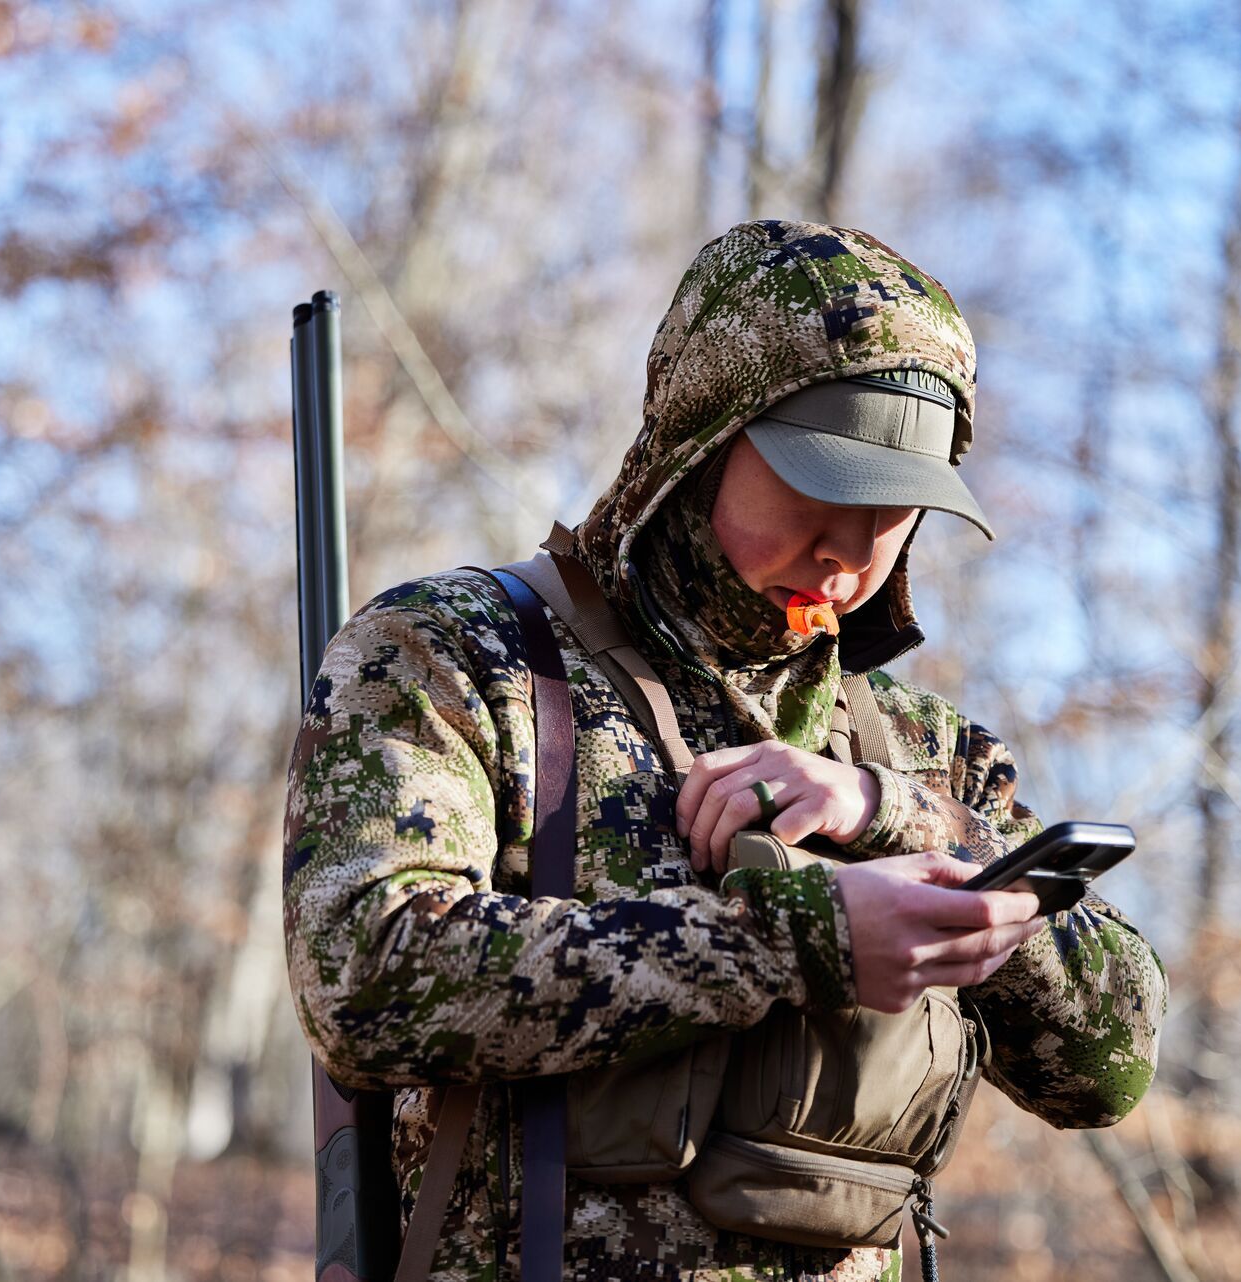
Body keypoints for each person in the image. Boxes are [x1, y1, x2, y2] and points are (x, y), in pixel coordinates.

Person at [284, 219, 1166, 1281]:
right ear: (699, 441)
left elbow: (1111, 1066)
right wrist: (803, 939)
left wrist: (907, 819)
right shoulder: (463, 658)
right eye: (823, 482)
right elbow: (362, 978)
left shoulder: (926, 754)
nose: (850, 547)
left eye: (897, 508)